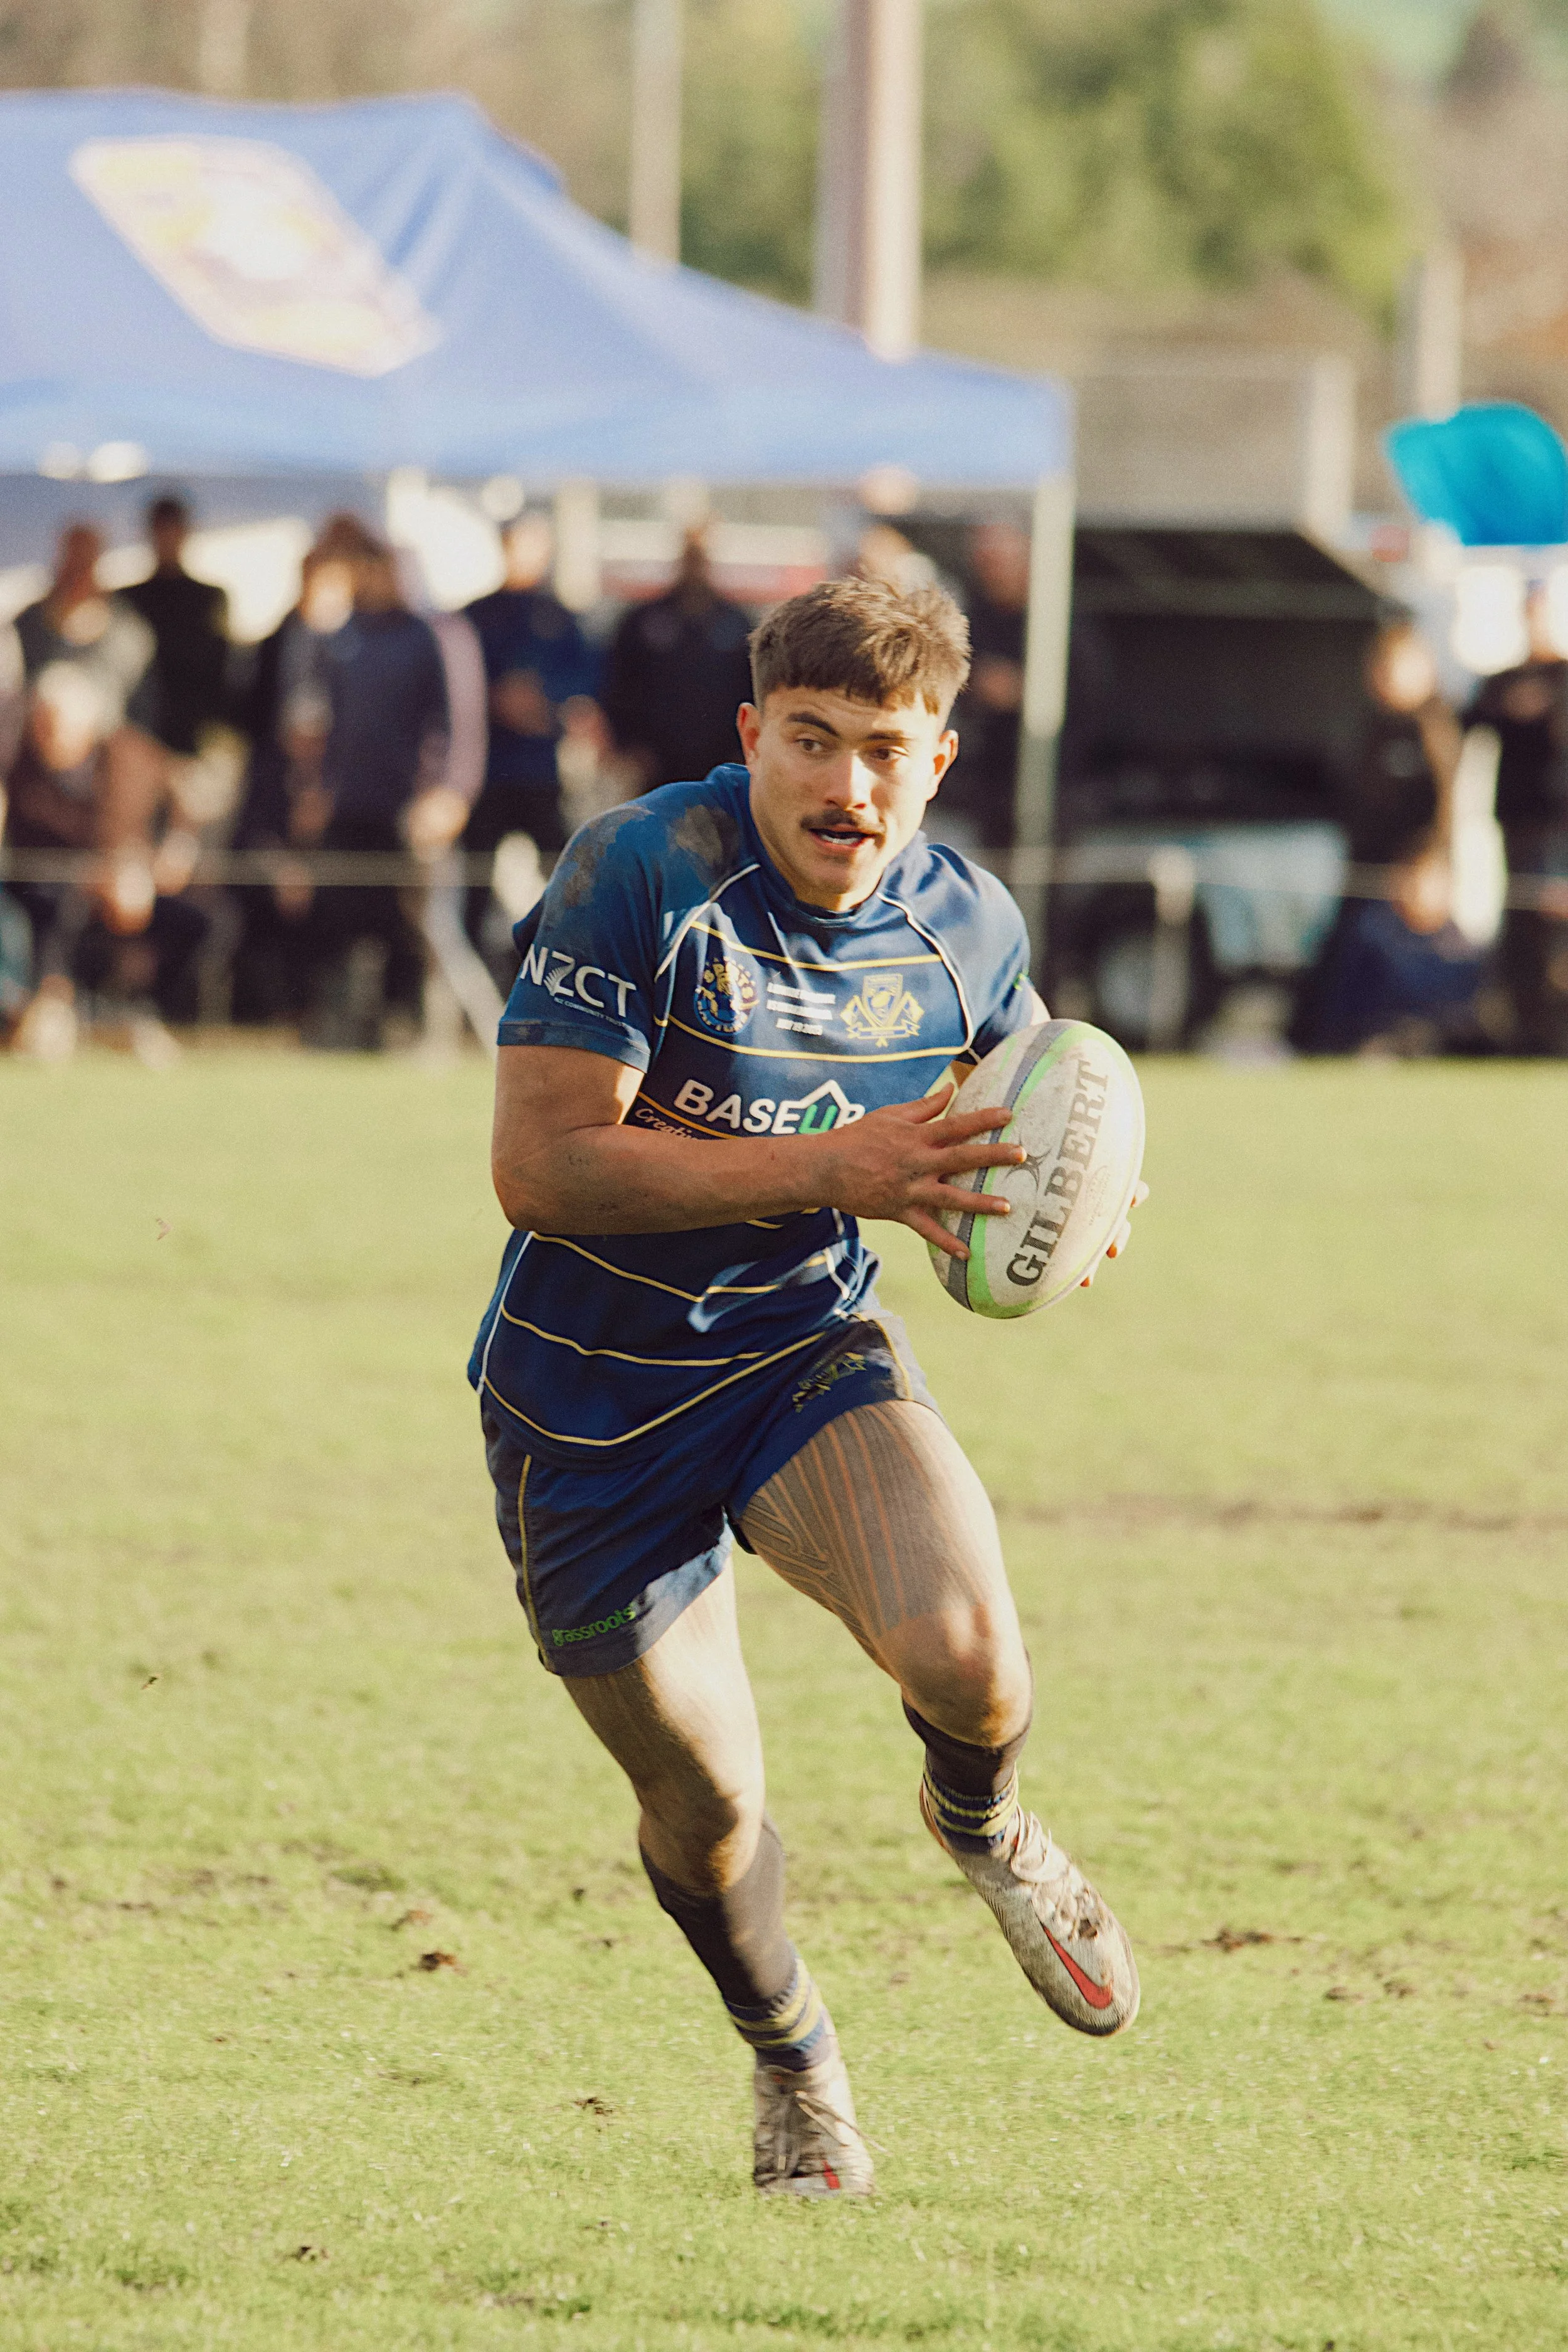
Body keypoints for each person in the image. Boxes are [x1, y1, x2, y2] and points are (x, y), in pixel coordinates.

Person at [471, 576, 1144, 2199]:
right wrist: (838, 1160)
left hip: (796, 1352)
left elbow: (1032, 1099)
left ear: (940, 758)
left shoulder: (968, 925)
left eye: (884, 752)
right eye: (810, 742)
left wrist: (1083, 1189)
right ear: (750, 737)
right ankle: (794, 2056)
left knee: (971, 1657)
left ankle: (978, 1822)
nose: (846, 785)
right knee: (705, 1810)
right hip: (587, 1400)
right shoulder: (640, 872)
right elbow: (540, 1165)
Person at [1295, 620, 1483, 1054]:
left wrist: (1429, 865)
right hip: (1364, 872)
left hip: (1410, 881)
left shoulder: (1433, 726)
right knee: (1344, 964)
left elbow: (1447, 807)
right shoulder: (1373, 727)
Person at [297, 537, 454, 1047]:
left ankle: (401, 1023)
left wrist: (439, 795)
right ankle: (340, 1020)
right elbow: (324, 723)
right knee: (340, 916)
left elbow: (447, 726)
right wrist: (314, 788)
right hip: (347, 802)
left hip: (402, 807)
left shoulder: (422, 639)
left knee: (401, 922)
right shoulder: (343, 637)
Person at [1465, 586, 1568, 1054]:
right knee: (1524, 928)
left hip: (1561, 824)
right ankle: (1527, 1031)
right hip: (1520, 826)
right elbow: (1464, 725)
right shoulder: (1501, 682)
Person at [601, 526, 755, 793]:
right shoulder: (643, 621)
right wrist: (627, 744)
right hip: (656, 761)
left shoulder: (738, 623)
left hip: (720, 760)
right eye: (689, 555)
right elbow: (617, 684)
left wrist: (743, 750)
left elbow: (753, 688)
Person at [120, 494, 231, 763]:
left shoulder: (210, 600)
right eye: (162, 530)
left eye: (174, 530)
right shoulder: (129, 601)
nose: (168, 539)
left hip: (194, 741)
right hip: (140, 738)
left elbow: (218, 675)